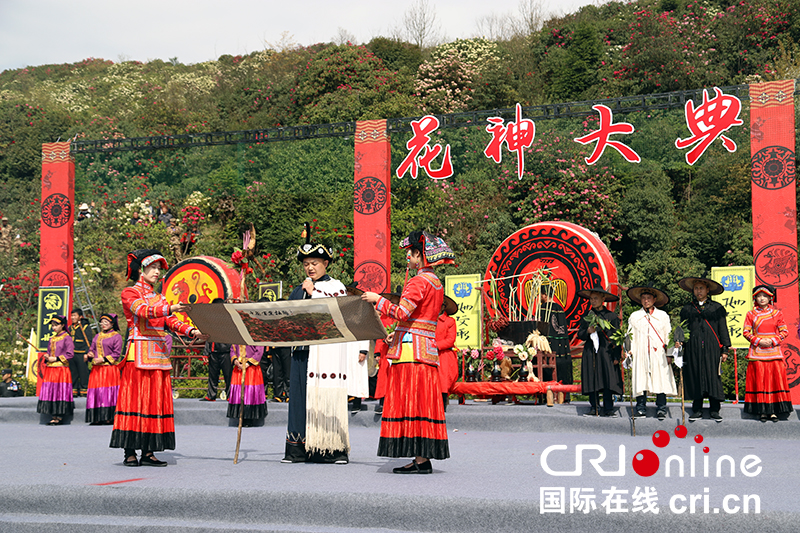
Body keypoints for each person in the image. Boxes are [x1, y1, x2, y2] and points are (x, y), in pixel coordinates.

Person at [362, 230, 455, 474]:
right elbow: (419, 320)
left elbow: (402, 312)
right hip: (425, 348)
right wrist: (399, 333)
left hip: (411, 353)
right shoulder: (436, 282)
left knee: (411, 402)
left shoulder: (417, 282)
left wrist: (377, 299)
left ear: (420, 255)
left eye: (412, 254)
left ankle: (420, 458)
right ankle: (422, 457)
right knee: (423, 403)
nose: (409, 259)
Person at [110, 249, 207, 467]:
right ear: (141, 270)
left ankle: (148, 451)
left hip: (159, 356)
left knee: (154, 403)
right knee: (135, 401)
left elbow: (170, 321)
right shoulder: (130, 293)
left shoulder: (160, 298)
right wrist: (170, 307)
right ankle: (129, 451)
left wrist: (193, 332)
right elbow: (144, 311)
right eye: (152, 267)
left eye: (158, 268)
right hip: (138, 356)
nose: (157, 271)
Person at [282, 225, 351, 464]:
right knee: (300, 399)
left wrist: (314, 294)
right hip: (302, 352)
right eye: (306, 264)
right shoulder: (297, 290)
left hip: (327, 354)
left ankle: (332, 450)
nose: (310, 267)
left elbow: (338, 315)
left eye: (315, 263)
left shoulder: (336, 287)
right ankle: (297, 450)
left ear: (326, 264)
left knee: (326, 398)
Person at [678, 277, 731, 422]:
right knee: (695, 375)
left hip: (712, 348)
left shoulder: (717, 308)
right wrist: (679, 343)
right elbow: (682, 329)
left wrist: (725, 349)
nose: (699, 291)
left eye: (701, 288)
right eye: (696, 288)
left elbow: (723, 329)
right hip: (693, 348)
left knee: (713, 375)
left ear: (708, 290)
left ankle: (714, 409)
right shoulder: (687, 309)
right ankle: (697, 409)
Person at [625, 286, 676, 420]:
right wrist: (628, 350)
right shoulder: (635, 316)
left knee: (660, 379)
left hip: (658, 352)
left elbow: (668, 335)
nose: (646, 301)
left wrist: (669, 354)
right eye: (643, 298)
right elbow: (629, 335)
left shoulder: (662, 316)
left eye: (648, 298)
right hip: (640, 352)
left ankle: (661, 408)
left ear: (654, 300)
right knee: (640, 379)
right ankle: (641, 408)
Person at [743, 285, 791, 422]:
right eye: (759, 296)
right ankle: (762, 411)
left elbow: (784, 331)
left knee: (774, 381)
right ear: (755, 298)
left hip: (773, 352)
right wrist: (758, 340)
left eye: (765, 296)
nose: (762, 298)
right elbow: (746, 332)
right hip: (757, 352)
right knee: (760, 381)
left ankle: (774, 411)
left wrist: (772, 340)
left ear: (770, 298)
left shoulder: (777, 314)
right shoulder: (751, 314)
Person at [576, 287, 622, 417]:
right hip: (591, 351)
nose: (593, 301)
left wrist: (616, 356)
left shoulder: (611, 316)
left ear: (603, 299)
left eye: (596, 298)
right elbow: (580, 333)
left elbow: (617, 337)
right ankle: (594, 406)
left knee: (607, 379)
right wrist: (587, 332)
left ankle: (608, 407)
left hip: (606, 352)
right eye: (591, 298)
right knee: (592, 377)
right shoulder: (587, 316)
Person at [85, 313, 124, 425]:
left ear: (112, 323)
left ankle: (109, 417)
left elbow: (117, 354)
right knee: (96, 392)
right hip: (97, 369)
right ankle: (96, 417)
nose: (103, 324)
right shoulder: (97, 336)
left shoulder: (117, 336)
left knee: (108, 392)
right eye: (102, 322)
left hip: (109, 369)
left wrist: (102, 359)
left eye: (106, 322)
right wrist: (90, 354)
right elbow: (92, 349)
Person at [36, 316, 75, 425]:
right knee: (51, 392)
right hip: (51, 369)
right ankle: (53, 415)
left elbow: (70, 354)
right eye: (52, 325)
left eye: (56, 325)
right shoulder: (52, 339)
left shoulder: (67, 337)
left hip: (61, 369)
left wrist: (56, 358)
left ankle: (59, 416)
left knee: (60, 391)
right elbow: (49, 352)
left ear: (62, 325)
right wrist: (48, 356)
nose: (54, 327)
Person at [540, 286, 571, 401]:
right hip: (561, 345)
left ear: (544, 295)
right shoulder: (560, 308)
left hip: (548, 344)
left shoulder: (543, 308)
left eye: (541, 295)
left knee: (546, 367)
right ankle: (563, 396)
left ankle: (546, 396)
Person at [200, 298, 232, 402]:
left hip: (226, 351)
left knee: (228, 375)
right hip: (214, 351)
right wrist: (205, 354)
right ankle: (211, 395)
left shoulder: (229, 318)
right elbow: (207, 338)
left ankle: (230, 395)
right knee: (212, 375)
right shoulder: (211, 320)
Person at [227, 344, 267, 426]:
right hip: (238, 368)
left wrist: (248, 363)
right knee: (239, 393)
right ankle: (240, 417)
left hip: (252, 368)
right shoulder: (237, 334)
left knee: (250, 393)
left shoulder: (256, 335)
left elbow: (259, 351)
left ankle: (249, 418)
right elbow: (232, 348)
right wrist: (235, 361)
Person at [436, 295, 459, 411]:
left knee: (443, 380)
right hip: (430, 353)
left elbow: (450, 340)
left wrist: (435, 346)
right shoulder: (429, 320)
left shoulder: (450, 321)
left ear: (443, 307)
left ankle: (442, 406)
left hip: (444, 354)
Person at [69, 308, 93, 397]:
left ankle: (84, 390)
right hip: (72, 353)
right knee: (73, 372)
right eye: (72, 315)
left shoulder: (85, 327)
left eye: (75, 315)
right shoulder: (70, 327)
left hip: (82, 353)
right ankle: (74, 390)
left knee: (83, 372)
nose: (73, 317)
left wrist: (87, 353)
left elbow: (89, 341)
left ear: (80, 317)